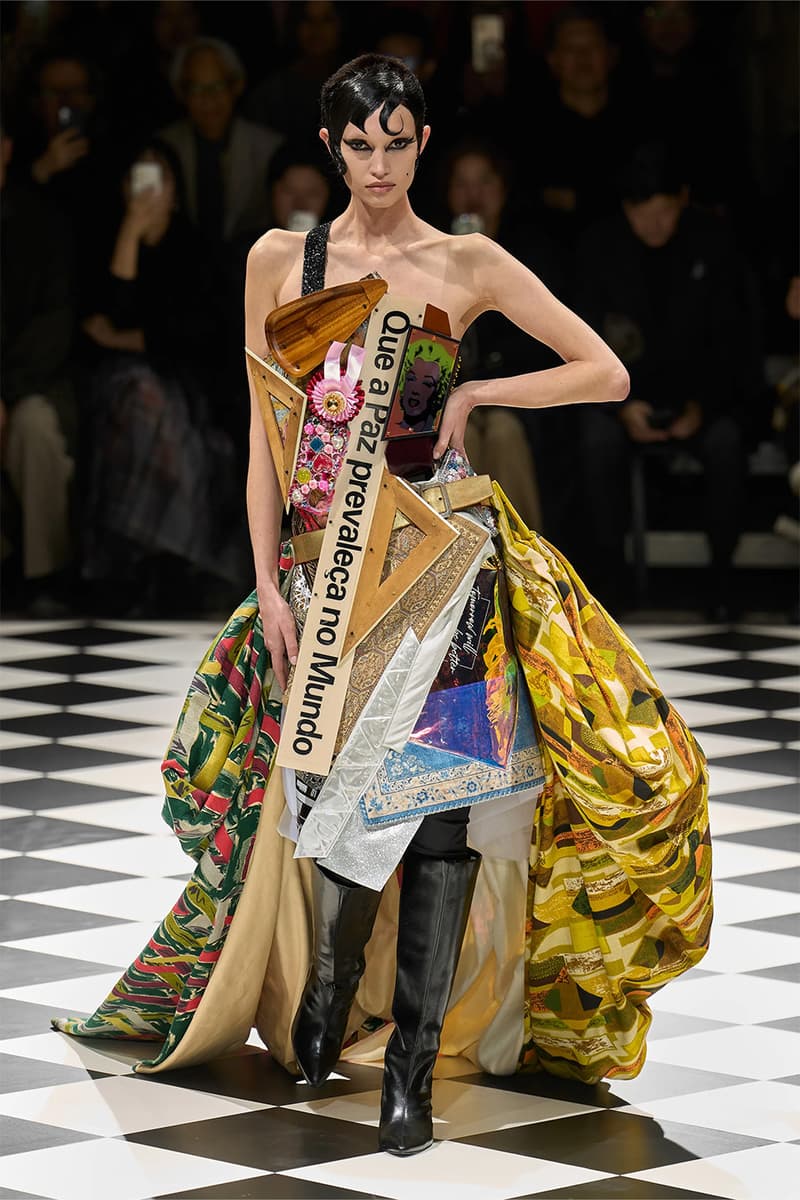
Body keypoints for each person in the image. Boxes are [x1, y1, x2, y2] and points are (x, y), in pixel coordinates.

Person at [54, 56, 711, 1162]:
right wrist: (267, 584)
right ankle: (324, 992)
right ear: (329, 147)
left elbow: (603, 371)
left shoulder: (462, 261)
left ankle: (408, 1067)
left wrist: (477, 389)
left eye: (397, 142)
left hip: (441, 567)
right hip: (327, 572)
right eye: (359, 145)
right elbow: (267, 439)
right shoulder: (281, 261)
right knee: (337, 802)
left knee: (442, 812)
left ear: (423, 142)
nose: (378, 164)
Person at [573, 142, 760, 616]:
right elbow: (580, 336)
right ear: (626, 208)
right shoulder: (600, 247)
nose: (654, 224)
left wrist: (703, 406)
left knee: (727, 442)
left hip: (701, 397)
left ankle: (722, 578)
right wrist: (621, 407)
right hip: (621, 395)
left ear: (683, 200)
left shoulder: (714, 244)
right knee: (596, 441)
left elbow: (735, 341)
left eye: (664, 211)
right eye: (642, 213)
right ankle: (609, 580)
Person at [78, 139, 244, 614]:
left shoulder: (195, 248)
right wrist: (130, 234)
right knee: (140, 398)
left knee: (161, 413)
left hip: (186, 381)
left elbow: (199, 333)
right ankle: (154, 567)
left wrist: (128, 337)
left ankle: (158, 565)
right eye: (139, 178)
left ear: (175, 190)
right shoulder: (104, 238)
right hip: (116, 382)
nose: (149, 190)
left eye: (160, 178)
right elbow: (98, 322)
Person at [1, 120, 77, 615]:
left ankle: (43, 577)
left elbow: (55, 321)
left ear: (6, 149)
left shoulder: (38, 223)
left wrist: (6, 391)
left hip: (33, 382)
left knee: (35, 428)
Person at [159, 37, 282, 249]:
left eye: (217, 86)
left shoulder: (268, 149)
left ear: (236, 86)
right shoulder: (164, 148)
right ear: (182, 93)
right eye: (197, 88)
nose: (208, 98)